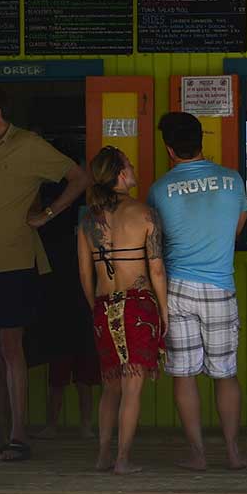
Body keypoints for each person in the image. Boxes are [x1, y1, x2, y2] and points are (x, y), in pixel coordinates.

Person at [0, 87, 90, 462]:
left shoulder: (30, 144)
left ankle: (17, 434)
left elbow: (79, 178)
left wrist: (47, 215)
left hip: (13, 260)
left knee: (11, 348)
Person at [149, 111, 247, 471]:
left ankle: (197, 455)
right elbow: (236, 229)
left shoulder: (160, 189)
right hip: (220, 287)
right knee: (225, 372)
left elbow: (155, 243)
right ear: (201, 141)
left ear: (169, 149)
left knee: (185, 373)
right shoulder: (232, 180)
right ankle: (234, 453)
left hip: (177, 288)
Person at [77, 147, 168, 475]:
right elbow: (156, 270)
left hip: (104, 306)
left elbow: (85, 274)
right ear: (119, 175)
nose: (133, 169)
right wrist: (164, 311)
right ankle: (123, 459)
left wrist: (95, 307)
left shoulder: (88, 221)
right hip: (137, 305)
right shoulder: (145, 214)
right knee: (132, 386)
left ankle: (103, 454)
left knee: (110, 385)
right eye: (129, 165)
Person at [30, 176, 101, 439]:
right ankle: (85, 425)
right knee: (82, 369)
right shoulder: (86, 218)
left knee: (63, 369)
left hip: (61, 299)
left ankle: (55, 425)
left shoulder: (44, 221)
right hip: (80, 299)